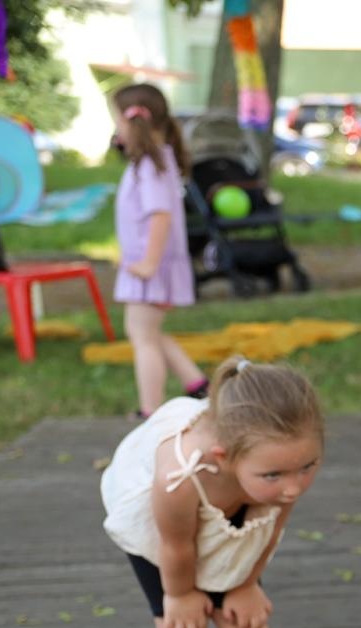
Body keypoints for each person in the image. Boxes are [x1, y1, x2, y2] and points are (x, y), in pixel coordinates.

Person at [100, 356, 352, 628]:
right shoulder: (177, 477)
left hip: (234, 502)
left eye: (308, 467)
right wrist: (179, 595)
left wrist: (245, 583)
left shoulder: (279, 467)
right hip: (161, 531)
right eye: (275, 474)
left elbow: (271, 523)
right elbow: (176, 547)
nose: (294, 487)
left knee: (243, 617)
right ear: (224, 455)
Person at [111, 84, 208, 421]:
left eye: (117, 121)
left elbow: (160, 215)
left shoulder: (151, 164)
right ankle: (197, 384)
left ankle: (149, 410)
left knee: (142, 337)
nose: (116, 130)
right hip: (147, 265)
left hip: (148, 266)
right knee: (148, 332)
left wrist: (149, 262)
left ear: (131, 121)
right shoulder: (154, 160)